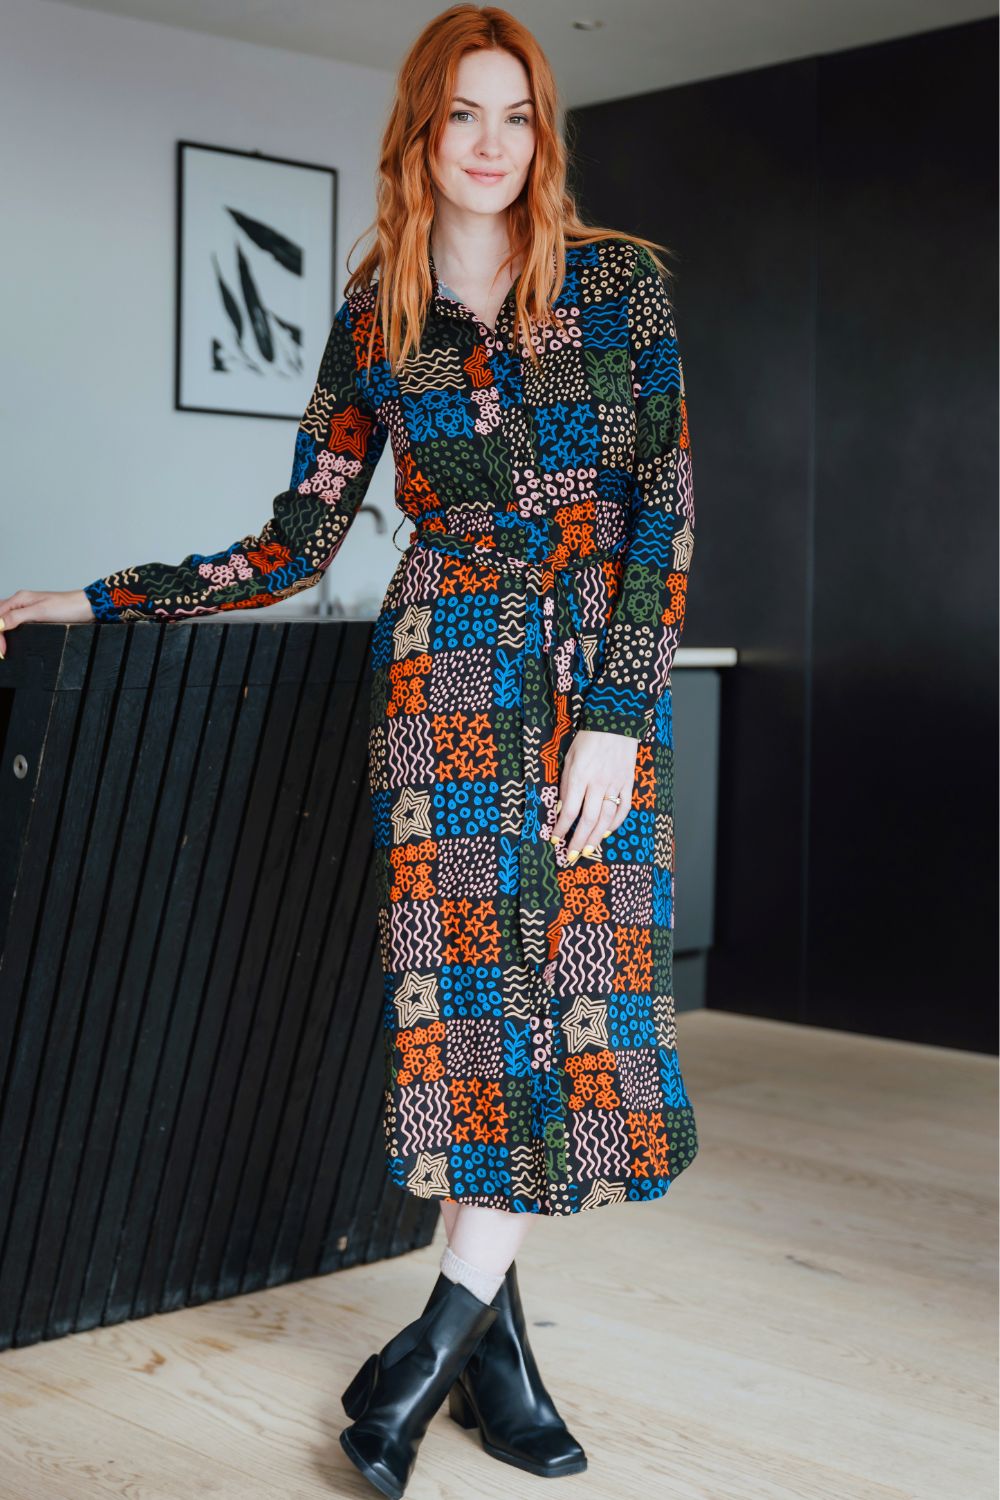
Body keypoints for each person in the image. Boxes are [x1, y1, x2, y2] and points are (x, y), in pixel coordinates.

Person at [0, 6, 698, 1496]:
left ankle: (419, 1359)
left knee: (570, 1019)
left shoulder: (621, 284)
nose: (494, 142)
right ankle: (490, 1365)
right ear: (420, 135)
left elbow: (660, 514)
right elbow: (297, 541)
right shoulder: (378, 310)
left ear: (542, 130)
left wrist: (622, 718)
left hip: (587, 688)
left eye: (517, 114)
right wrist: (99, 596)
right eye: (465, 115)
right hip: (442, 683)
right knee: (470, 1023)